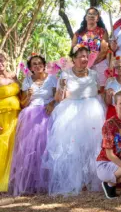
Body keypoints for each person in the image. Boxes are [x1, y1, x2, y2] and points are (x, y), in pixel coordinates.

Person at [42, 45, 106, 195]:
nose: (84, 59)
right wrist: (62, 88)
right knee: (73, 148)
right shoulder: (65, 74)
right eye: (80, 56)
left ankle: (91, 180)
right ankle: (75, 181)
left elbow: (97, 91)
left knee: (92, 146)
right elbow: (58, 98)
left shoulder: (94, 74)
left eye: (86, 56)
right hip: (71, 112)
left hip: (91, 112)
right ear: (74, 59)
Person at [8, 55, 57, 195]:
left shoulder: (52, 78)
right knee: (31, 150)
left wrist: (52, 104)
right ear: (30, 68)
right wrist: (28, 96)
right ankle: (32, 183)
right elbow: (23, 103)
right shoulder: (27, 81)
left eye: (40, 63)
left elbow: (57, 96)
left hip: (48, 112)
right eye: (34, 64)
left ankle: (48, 182)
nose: (37, 66)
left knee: (47, 147)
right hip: (31, 116)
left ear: (44, 65)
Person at [72, 7, 109, 90]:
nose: (91, 16)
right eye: (89, 14)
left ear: (98, 18)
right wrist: (84, 64)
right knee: (82, 89)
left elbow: (104, 50)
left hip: (99, 64)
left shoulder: (103, 31)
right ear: (85, 17)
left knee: (100, 90)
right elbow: (73, 49)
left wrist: (92, 62)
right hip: (82, 66)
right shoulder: (78, 33)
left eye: (94, 14)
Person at [0, 50, 20, 192]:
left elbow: (22, 93)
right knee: (3, 148)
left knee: (15, 149)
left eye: (2, 60)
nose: (0, 63)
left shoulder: (13, 76)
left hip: (16, 116)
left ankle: (11, 182)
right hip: (2, 118)